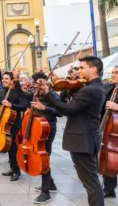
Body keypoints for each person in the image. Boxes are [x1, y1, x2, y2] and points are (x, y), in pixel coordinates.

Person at [36, 56, 105, 206]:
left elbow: (67, 109)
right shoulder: (93, 87)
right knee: (90, 182)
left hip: (83, 139)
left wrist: (48, 92)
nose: (78, 71)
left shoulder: (89, 90)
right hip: (85, 138)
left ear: (93, 69)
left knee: (91, 183)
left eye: (81, 68)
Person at [19, 72, 62, 204]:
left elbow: (59, 112)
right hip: (37, 128)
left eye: (40, 82)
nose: (38, 85)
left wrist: (44, 107)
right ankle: (51, 184)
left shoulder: (53, 95)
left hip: (48, 127)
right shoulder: (35, 94)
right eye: (36, 82)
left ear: (45, 82)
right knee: (43, 156)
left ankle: (45, 193)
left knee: (44, 157)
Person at [0, 71, 29, 181]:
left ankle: (16, 171)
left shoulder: (16, 93)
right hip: (3, 125)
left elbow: (25, 106)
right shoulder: (0, 93)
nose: (4, 80)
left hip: (14, 124)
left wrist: (11, 105)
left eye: (7, 79)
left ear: (11, 81)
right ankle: (12, 168)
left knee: (13, 148)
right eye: (3, 78)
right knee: (8, 147)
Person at [99, 65, 118, 198]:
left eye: (116, 73)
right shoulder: (109, 87)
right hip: (110, 129)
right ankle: (109, 189)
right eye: (112, 72)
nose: (113, 75)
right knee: (109, 158)